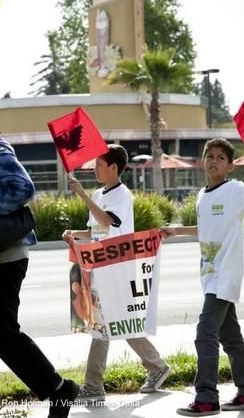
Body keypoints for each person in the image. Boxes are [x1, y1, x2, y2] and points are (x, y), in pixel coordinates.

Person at [161, 138, 244, 417]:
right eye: (209, 156)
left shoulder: (235, 191)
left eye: (220, 158)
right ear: (202, 162)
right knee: (230, 336)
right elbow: (205, 229)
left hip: (225, 275)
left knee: (205, 334)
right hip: (210, 275)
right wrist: (176, 231)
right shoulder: (203, 195)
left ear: (230, 166)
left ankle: (206, 397)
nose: (213, 161)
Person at [62, 144, 170, 403]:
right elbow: (96, 231)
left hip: (118, 268)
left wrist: (81, 195)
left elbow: (108, 221)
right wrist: (75, 235)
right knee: (117, 322)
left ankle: (94, 386)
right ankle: (156, 367)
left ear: (113, 167)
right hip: (100, 267)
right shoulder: (99, 194)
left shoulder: (122, 195)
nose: (95, 168)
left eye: (99, 164)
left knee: (104, 325)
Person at [0, 128, 79, 418]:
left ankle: (59, 389)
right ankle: (57, 389)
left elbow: (21, 187)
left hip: (2, 256)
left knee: (2, 332)